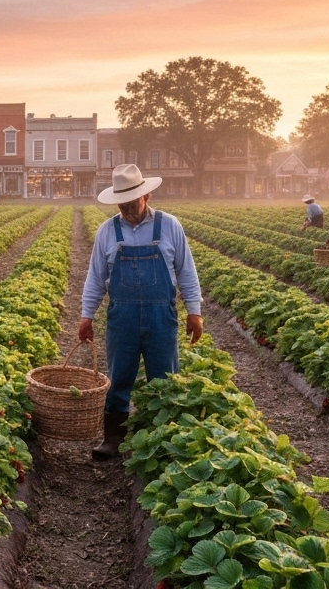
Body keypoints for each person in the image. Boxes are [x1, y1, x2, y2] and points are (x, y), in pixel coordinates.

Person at [79, 164, 202, 461]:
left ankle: (165, 438)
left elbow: (186, 270)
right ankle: (113, 438)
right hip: (123, 315)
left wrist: (194, 311)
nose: (127, 209)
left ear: (146, 195)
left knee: (164, 377)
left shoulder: (170, 225)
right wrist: (86, 315)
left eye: (132, 203)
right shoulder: (108, 231)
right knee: (120, 375)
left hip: (162, 314)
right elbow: (96, 277)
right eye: (122, 204)